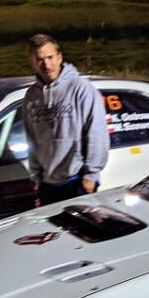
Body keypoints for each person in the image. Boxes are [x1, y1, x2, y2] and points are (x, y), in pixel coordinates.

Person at [22, 33, 109, 206]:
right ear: (32, 62)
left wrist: (90, 176)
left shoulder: (81, 89)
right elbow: (31, 138)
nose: (47, 64)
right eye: (40, 59)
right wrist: (37, 177)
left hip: (76, 180)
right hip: (48, 183)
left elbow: (96, 133)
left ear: (60, 57)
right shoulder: (31, 96)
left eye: (50, 57)